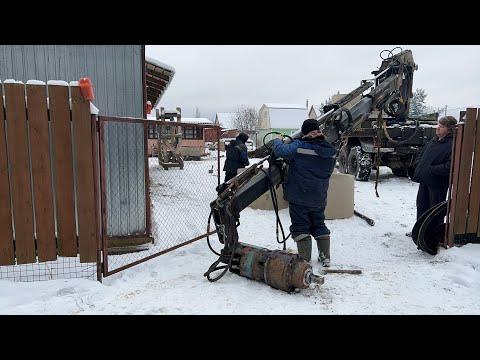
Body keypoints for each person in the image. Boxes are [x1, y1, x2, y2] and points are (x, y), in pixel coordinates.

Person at [273, 119, 336, 266]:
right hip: (319, 196)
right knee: (319, 224)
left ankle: (304, 260)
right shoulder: (330, 150)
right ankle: (325, 257)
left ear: (304, 132)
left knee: (300, 226)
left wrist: (277, 140)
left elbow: (280, 151)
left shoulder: (300, 146)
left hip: (299, 195)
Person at [407, 115, 457, 236]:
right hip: (425, 180)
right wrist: (419, 164)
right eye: (438, 125)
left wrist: (431, 169)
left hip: (437, 184)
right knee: (421, 206)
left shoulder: (452, 144)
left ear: (450, 129)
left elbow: (450, 166)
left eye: (442, 126)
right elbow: (421, 154)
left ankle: (432, 237)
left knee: (434, 211)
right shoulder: (434, 140)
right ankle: (419, 232)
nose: (438, 128)